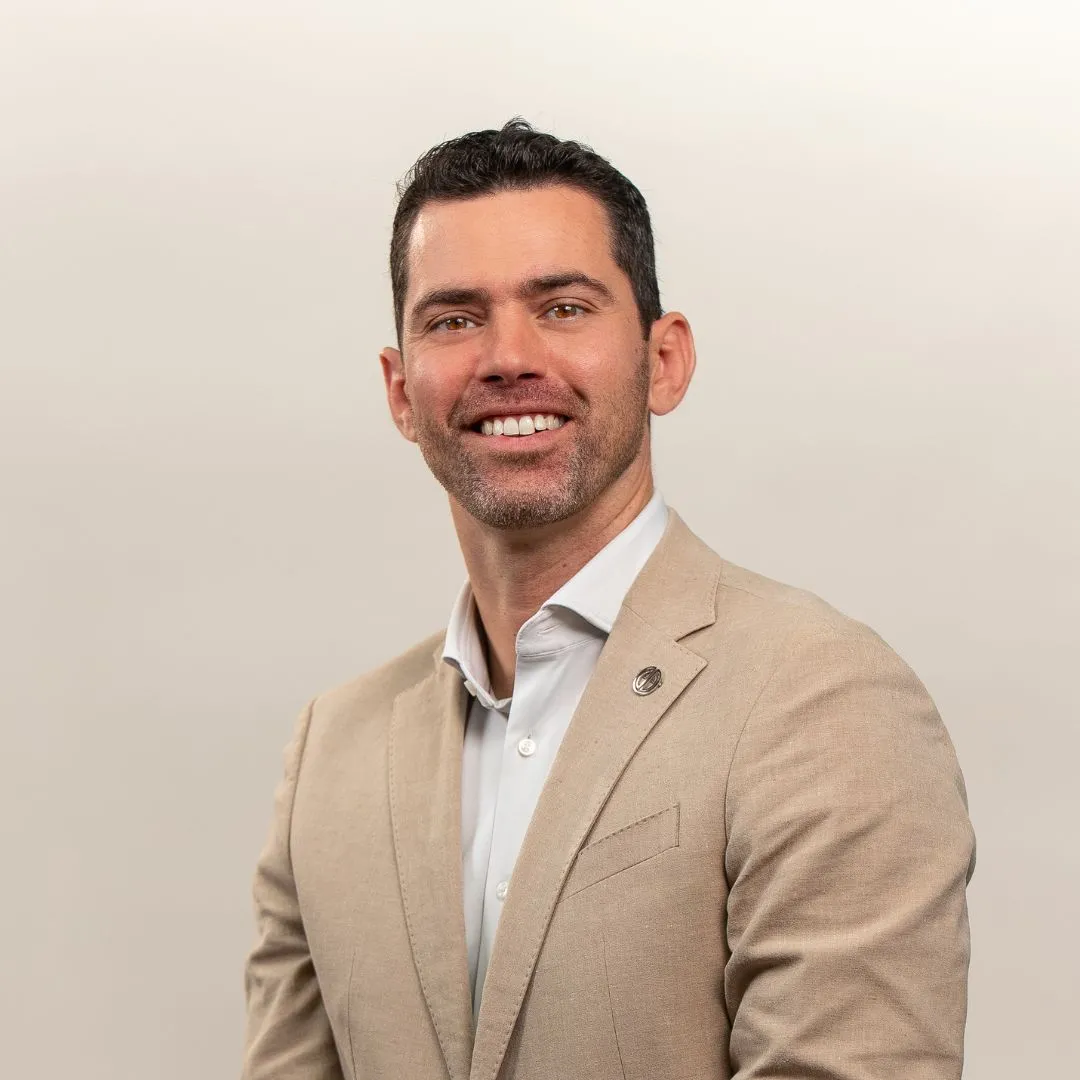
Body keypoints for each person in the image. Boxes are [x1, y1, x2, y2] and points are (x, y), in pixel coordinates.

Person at [242, 119, 976, 1080]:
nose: (507, 356)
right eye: (454, 319)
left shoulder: (826, 702)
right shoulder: (330, 754)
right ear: (399, 389)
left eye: (563, 307)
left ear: (662, 359)